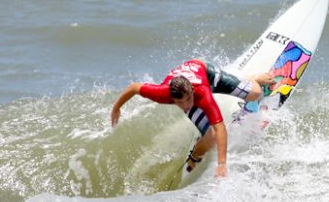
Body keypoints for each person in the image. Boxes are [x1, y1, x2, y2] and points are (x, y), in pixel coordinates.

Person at [110, 59, 274, 178]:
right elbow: (134, 88)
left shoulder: (202, 94)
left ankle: (252, 79)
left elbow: (220, 127)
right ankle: (195, 154)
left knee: (256, 94)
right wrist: (117, 108)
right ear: (172, 99)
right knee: (211, 138)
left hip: (204, 72)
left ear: (191, 93)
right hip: (184, 85)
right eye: (179, 103)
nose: (185, 105)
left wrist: (222, 163)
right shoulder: (161, 93)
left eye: (187, 100)